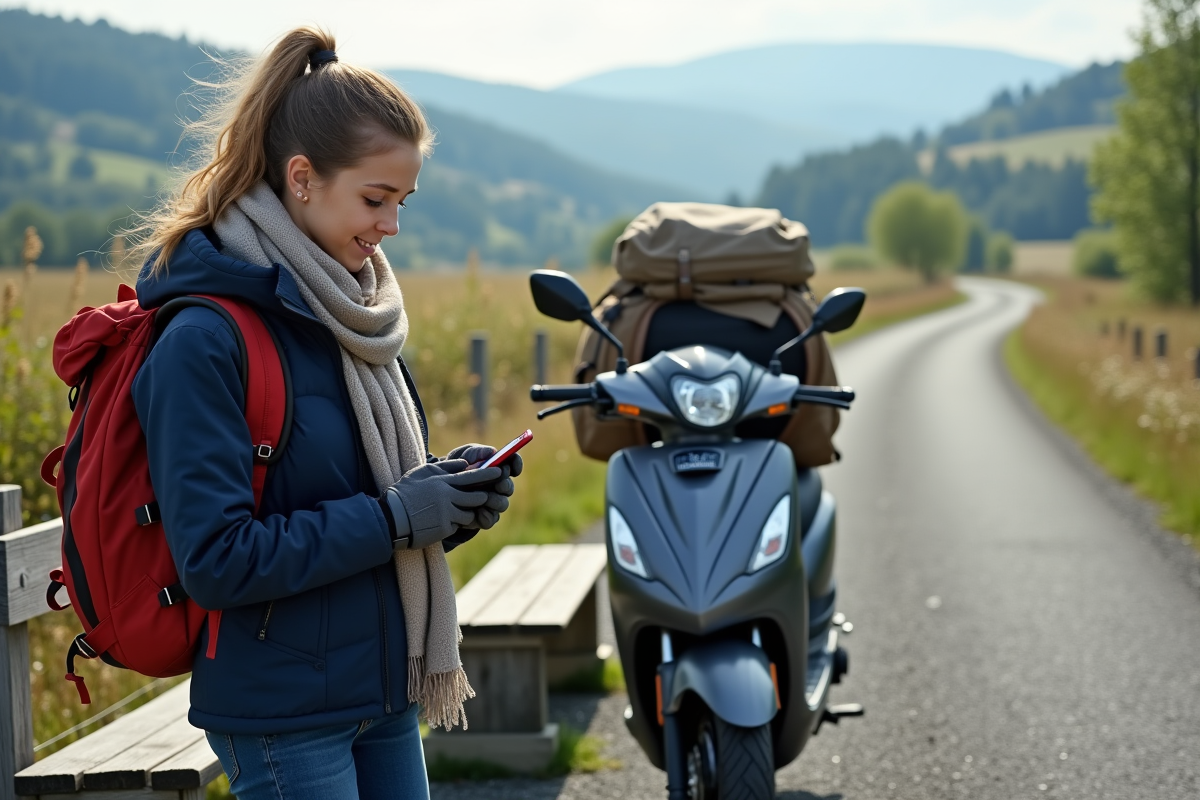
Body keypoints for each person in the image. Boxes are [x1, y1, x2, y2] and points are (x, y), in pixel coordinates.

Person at [127, 26, 517, 800]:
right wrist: (401, 518)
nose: (391, 229)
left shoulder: (355, 312)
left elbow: (373, 497)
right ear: (301, 178)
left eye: (401, 202)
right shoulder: (205, 338)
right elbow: (218, 559)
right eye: (375, 200)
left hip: (381, 690)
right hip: (283, 713)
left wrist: (452, 503)